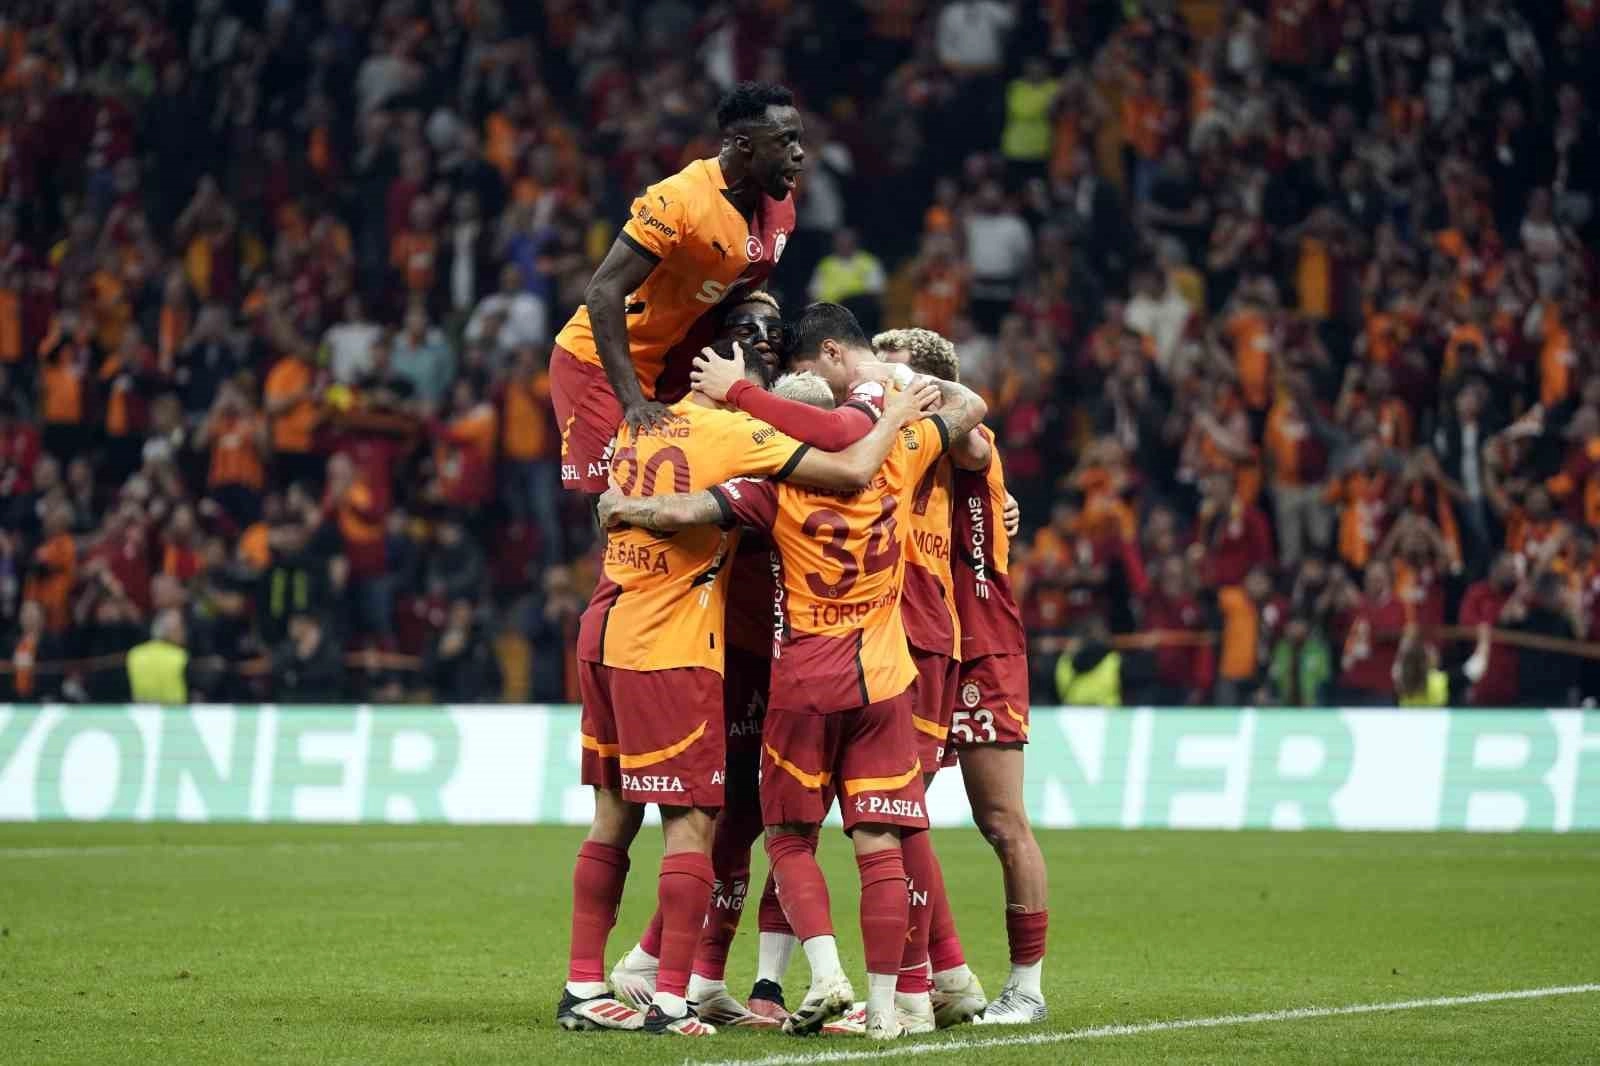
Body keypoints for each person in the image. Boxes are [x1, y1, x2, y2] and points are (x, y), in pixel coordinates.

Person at [596, 355, 987, 1041]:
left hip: (803, 684)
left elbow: (685, 509)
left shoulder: (769, 490)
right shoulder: (901, 455)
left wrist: (625, 505)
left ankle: (825, 973)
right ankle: (888, 1010)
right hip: (884, 679)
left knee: (787, 837)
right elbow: (969, 405)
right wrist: (891, 381)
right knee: (880, 840)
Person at [606, 292, 801, 1028]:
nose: (764, 338)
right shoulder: (727, 428)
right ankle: (666, 968)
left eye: (775, 327)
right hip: (732, 647)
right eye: (748, 327)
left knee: (766, 816)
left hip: (791, 649)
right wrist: (630, 506)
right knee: (734, 814)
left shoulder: (790, 414)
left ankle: (709, 977)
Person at [882, 328, 1049, 1026]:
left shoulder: (968, 442)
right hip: (926, 643)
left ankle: (1026, 988)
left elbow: (975, 442)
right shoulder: (907, 451)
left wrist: (922, 391)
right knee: (895, 815)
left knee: (1002, 820)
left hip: (984, 647)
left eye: (895, 376)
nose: (882, 389)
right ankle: (934, 977)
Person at [547, 81, 803, 493]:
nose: (799, 152)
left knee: (684, 490)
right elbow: (602, 292)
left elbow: (745, 292)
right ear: (744, 145)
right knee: (621, 498)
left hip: (673, 365)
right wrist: (632, 400)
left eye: (798, 139)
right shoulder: (679, 200)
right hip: (601, 364)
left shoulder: (780, 208)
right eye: (784, 140)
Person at [126, 608, 189, 704]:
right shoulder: (180, 656)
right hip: (175, 710)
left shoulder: (135, 653)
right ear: (169, 632)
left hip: (141, 709)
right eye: (180, 628)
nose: (184, 632)